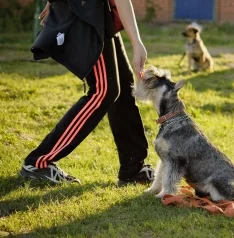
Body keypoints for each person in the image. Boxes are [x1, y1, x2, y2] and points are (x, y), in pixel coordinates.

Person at [19, 0, 154, 186]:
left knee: (122, 86)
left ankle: (133, 168)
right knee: (104, 90)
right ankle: (38, 162)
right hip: (86, 13)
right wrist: (137, 42)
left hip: (97, 11)